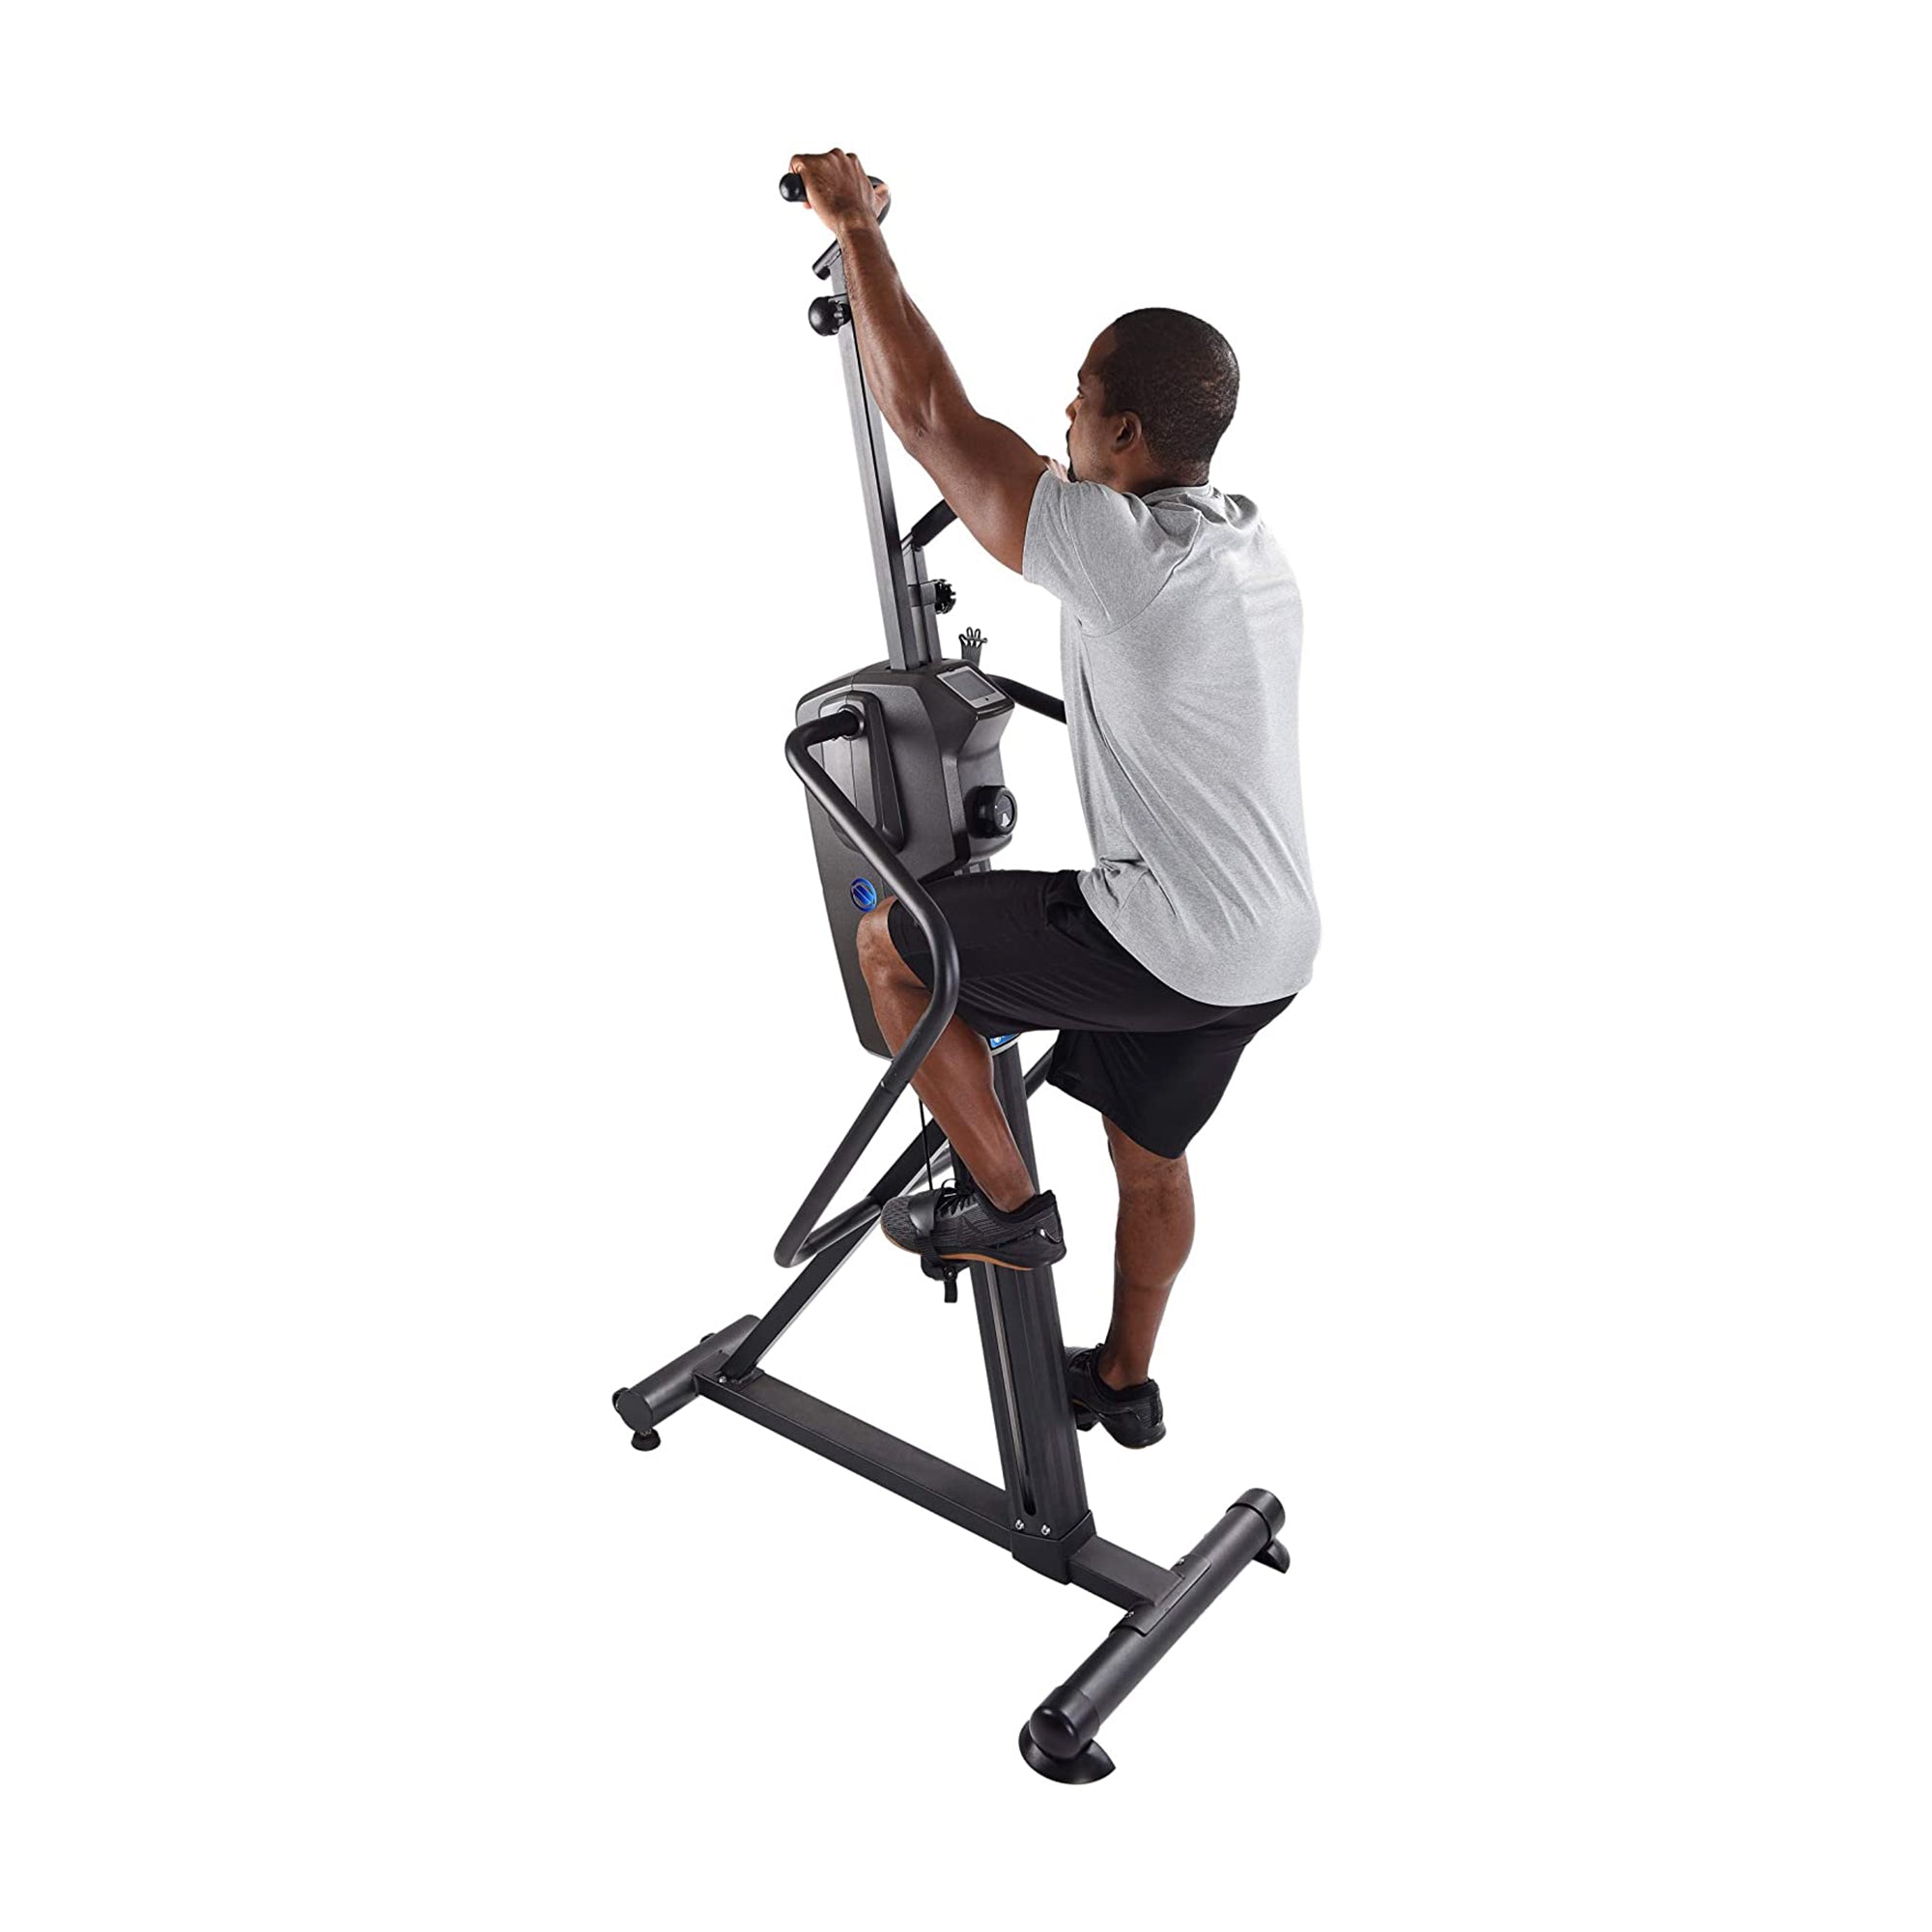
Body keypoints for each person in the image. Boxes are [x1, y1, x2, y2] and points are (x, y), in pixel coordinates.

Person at [787, 151, 1320, 1448]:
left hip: (1171, 938)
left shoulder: (1117, 552)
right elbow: (990, 452)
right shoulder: (1240, 535)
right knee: (1151, 1156)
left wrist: (860, 233)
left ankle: (1007, 1210)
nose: (1063, 418)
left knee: (894, 947)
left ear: (1127, 437)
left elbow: (930, 418)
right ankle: (1123, 1384)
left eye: (1081, 400)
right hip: (1270, 951)